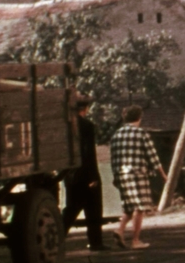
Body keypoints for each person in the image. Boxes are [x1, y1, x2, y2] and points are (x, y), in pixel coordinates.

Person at [110, 104, 166, 250]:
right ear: (139, 117)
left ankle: (119, 230)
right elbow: (153, 157)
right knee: (140, 207)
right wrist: (163, 175)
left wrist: (116, 176)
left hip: (122, 174)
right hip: (137, 174)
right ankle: (135, 240)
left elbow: (114, 158)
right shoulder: (141, 134)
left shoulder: (117, 135)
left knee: (129, 207)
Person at [62, 95, 105, 251]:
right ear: (85, 109)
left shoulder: (64, 126)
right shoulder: (86, 125)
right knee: (93, 208)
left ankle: (58, 236)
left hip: (69, 173)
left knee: (71, 208)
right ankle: (95, 242)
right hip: (86, 172)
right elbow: (89, 152)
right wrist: (93, 176)